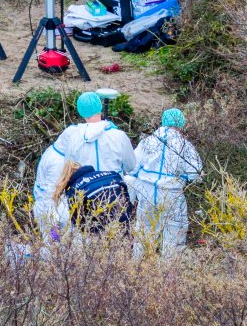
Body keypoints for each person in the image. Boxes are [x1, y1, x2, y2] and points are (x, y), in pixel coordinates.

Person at [47, 92, 137, 233]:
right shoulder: (118, 136)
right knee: (116, 240)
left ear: (80, 111)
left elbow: (64, 164)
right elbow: (131, 167)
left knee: (87, 241)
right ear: (100, 108)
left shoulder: (71, 134)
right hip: (113, 195)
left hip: (83, 198)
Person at [128, 108, 203, 257]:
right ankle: (167, 271)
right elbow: (195, 173)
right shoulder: (184, 145)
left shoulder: (148, 141)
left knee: (144, 230)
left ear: (163, 121)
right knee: (173, 233)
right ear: (181, 123)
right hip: (172, 194)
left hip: (147, 192)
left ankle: (137, 267)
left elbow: (132, 166)